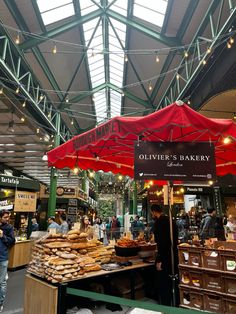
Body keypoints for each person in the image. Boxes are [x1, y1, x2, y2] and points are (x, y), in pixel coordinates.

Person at [150, 204, 178, 306]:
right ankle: (174, 302)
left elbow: (162, 243)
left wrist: (159, 260)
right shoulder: (171, 221)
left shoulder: (159, 222)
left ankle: (165, 305)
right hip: (173, 256)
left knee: (164, 283)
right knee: (171, 283)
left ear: (153, 212)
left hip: (165, 257)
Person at [0, 211, 15, 312]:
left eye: (8, 217)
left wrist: (3, 236)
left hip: (2, 258)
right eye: (5, 217)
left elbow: (12, 241)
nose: (7, 219)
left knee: (2, 282)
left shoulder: (9, 228)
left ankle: (0, 303)